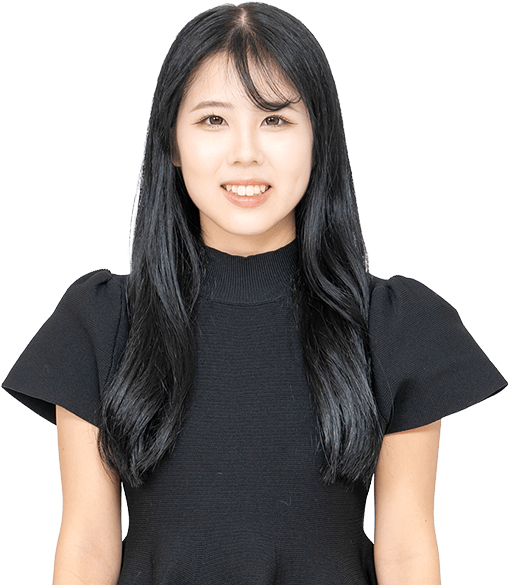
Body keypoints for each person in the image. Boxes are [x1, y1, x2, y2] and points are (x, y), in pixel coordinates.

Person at [2, 2, 507, 584]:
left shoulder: (393, 326)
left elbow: (407, 549)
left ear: (319, 139)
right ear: (172, 142)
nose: (245, 152)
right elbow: (88, 546)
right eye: (213, 120)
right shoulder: (102, 321)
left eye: (275, 119)